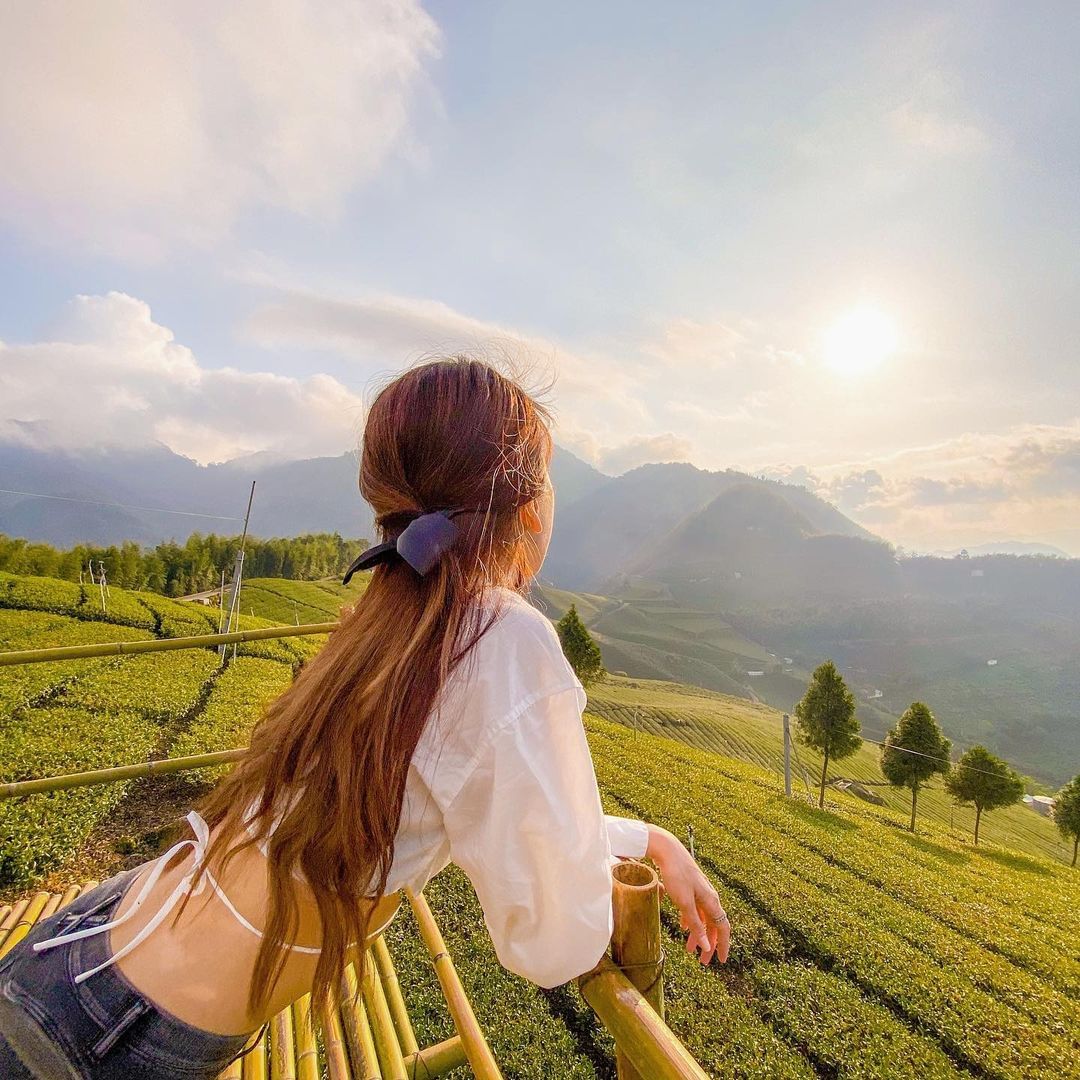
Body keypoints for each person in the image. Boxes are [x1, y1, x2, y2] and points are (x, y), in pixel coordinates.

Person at [0, 358, 730, 1079]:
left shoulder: (386, 617)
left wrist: (648, 839)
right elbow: (555, 944)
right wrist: (617, 866)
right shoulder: (501, 639)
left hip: (84, 948)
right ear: (531, 509)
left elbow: (491, 804)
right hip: (108, 1039)